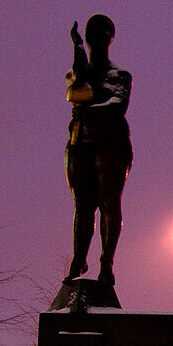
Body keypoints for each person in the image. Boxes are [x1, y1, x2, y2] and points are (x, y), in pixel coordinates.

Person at [64, 14, 133, 286]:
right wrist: (77, 49)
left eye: (103, 34)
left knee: (108, 204)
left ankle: (107, 264)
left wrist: (87, 108)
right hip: (80, 143)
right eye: (93, 34)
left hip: (112, 145)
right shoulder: (78, 71)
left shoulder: (120, 75)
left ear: (110, 38)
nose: (98, 39)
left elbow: (118, 106)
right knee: (83, 206)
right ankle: (78, 259)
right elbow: (76, 86)